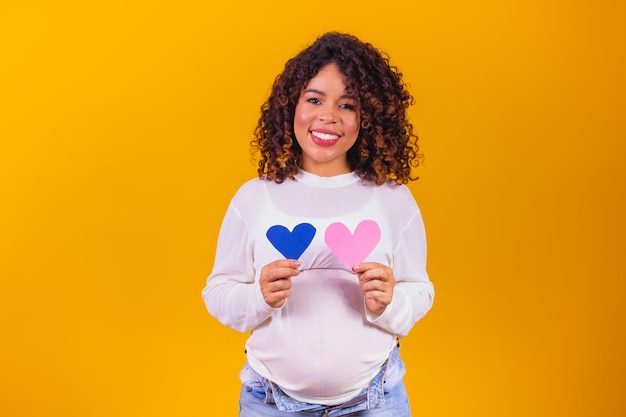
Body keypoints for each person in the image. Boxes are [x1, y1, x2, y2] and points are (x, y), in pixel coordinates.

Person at [202, 32, 434, 417]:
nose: (328, 116)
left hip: (376, 401)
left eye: (348, 105)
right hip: (269, 403)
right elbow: (218, 293)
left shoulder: (392, 200)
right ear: (290, 105)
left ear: (369, 119)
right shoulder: (253, 198)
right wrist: (257, 297)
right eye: (314, 99)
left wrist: (390, 300)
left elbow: (420, 291)